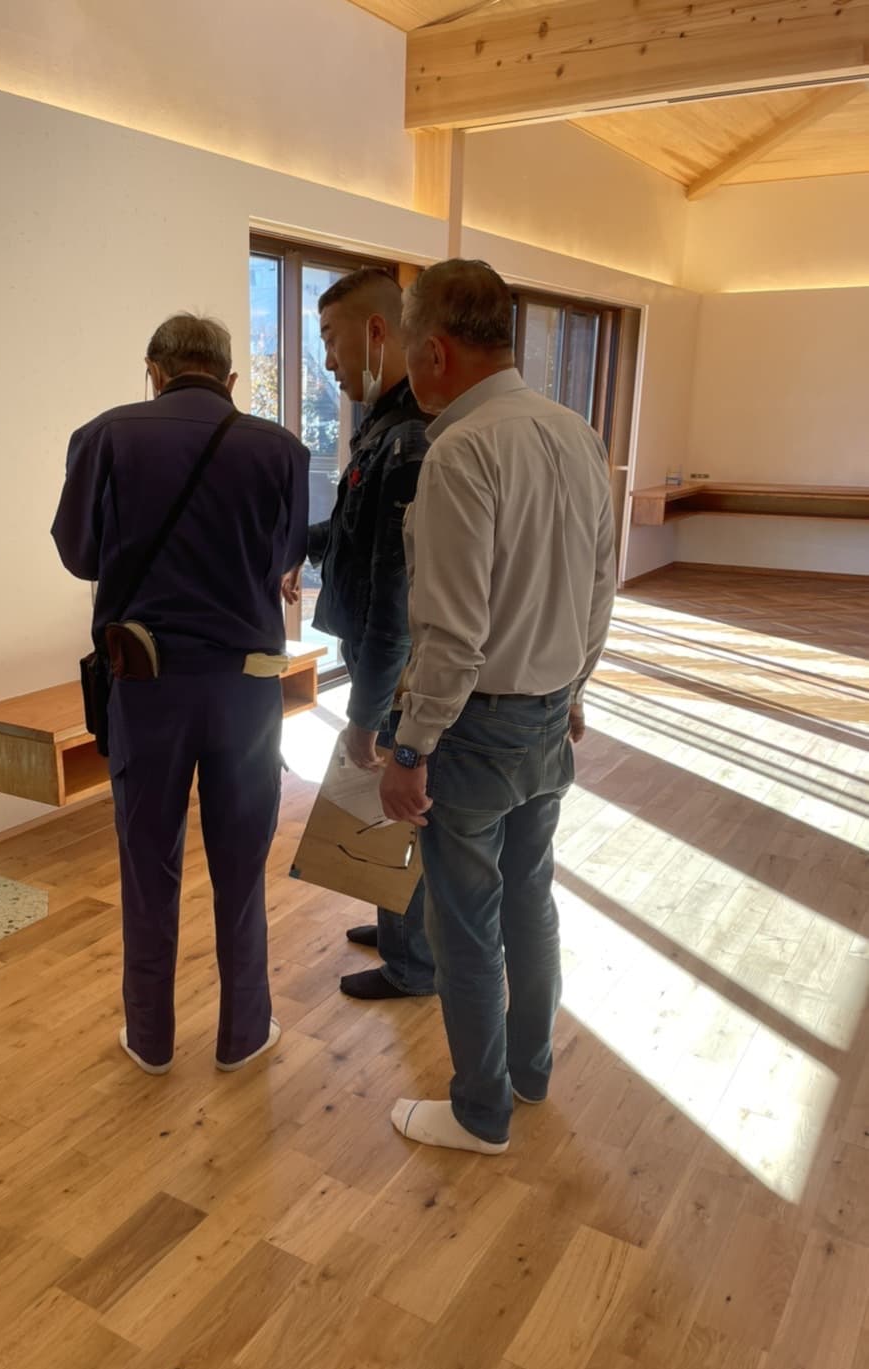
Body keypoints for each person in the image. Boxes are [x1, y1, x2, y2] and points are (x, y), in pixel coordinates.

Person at [380, 260, 616, 1154]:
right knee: (530, 901)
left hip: (474, 730)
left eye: (409, 346)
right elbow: (601, 587)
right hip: (549, 715)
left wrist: (411, 750)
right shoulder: (575, 433)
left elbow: (452, 634)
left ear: (436, 351)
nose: (408, 365)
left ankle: (481, 1113)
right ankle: (529, 1072)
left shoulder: (461, 451)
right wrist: (574, 686)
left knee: (465, 925)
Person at [53, 314, 309, 1074]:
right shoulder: (282, 450)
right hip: (246, 692)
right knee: (241, 866)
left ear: (153, 371)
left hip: (148, 689)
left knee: (148, 866)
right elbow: (284, 554)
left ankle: (150, 1039)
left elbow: (79, 555)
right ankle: (244, 1034)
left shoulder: (103, 436)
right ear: (229, 379)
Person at [303, 266, 435, 1002]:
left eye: (330, 338)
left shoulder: (409, 436)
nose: (327, 359)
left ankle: (414, 963)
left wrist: (364, 715)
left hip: (399, 666)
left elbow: (395, 597)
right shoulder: (382, 427)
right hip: (380, 657)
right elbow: (353, 536)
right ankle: (397, 931)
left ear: (377, 331)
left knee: (397, 803)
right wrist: (296, 545)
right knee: (388, 808)